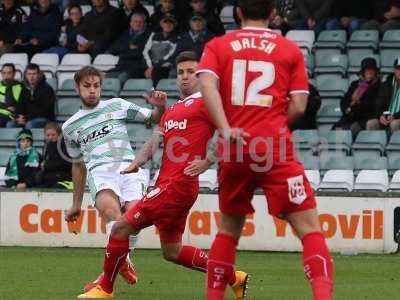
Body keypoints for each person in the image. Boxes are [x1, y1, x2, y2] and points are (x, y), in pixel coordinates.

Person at [77, 51, 248, 300]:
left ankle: (105, 287)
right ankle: (234, 277)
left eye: (191, 72)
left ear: (201, 75)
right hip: (170, 184)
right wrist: (137, 161)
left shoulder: (207, 102)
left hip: (178, 184)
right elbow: (156, 139)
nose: (185, 77)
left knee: (121, 228)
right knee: (172, 251)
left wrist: (207, 161)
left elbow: (232, 131)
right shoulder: (174, 109)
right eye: (181, 73)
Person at [197, 0, 334, 299]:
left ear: (237, 12)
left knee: (229, 229)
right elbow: (299, 105)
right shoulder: (289, 49)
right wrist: (270, 125)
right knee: (309, 228)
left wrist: (225, 128)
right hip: (274, 147)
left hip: (233, 147)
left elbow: (206, 85)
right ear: (273, 13)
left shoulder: (218, 45)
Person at [62, 66, 167, 293]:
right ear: (77, 88)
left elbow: (153, 118)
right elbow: (78, 165)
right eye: (87, 86)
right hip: (100, 172)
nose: (92, 91)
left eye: (96, 86)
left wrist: (159, 105)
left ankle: (114, 267)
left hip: (129, 169)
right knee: (112, 214)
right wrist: (76, 204)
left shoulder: (117, 105)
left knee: (134, 219)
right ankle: (118, 268)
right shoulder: (70, 127)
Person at [333, 57, 380, 137]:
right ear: (363, 72)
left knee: (354, 128)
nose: (369, 72)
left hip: (365, 118)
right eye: (366, 70)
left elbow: (371, 106)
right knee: (336, 128)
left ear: (375, 72)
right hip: (350, 116)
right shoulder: (355, 84)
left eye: (371, 70)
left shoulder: (378, 86)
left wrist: (354, 107)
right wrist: (347, 109)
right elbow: (344, 101)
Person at [6, 64, 55, 129]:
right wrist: (18, 117)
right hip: (26, 118)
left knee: (30, 124)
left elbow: (45, 110)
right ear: (26, 75)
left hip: (44, 118)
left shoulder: (47, 89)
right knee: (10, 124)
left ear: (39, 75)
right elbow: (20, 105)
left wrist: (26, 118)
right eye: (29, 74)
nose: (31, 77)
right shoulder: (23, 87)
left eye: (34, 74)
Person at [106, 12, 151, 83]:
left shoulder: (149, 35)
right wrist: (128, 46)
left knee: (122, 78)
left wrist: (123, 51)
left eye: (140, 22)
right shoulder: (124, 34)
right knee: (106, 76)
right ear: (130, 23)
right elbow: (113, 49)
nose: (138, 24)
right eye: (135, 21)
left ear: (144, 24)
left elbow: (140, 53)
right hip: (121, 67)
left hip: (137, 68)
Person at [143, 13, 179, 86]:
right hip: (150, 65)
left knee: (157, 72)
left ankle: (156, 94)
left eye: (171, 23)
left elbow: (171, 55)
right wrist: (149, 66)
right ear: (161, 24)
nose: (168, 24)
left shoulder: (177, 38)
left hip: (164, 66)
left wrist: (153, 67)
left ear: (174, 25)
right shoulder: (154, 35)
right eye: (166, 22)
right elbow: (145, 52)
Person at [366, 58, 400, 133]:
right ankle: (373, 145)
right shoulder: (386, 84)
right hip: (387, 118)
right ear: (394, 70)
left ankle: (394, 145)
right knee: (371, 123)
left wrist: (395, 116)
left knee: (394, 124)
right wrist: (381, 116)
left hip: (397, 118)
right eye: (398, 68)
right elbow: (378, 105)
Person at [35, 122, 72, 189]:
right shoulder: (47, 146)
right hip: (51, 177)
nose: (50, 137)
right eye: (48, 135)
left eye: (53, 135)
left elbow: (66, 163)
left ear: (59, 134)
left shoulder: (63, 146)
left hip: (63, 178)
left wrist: (46, 165)